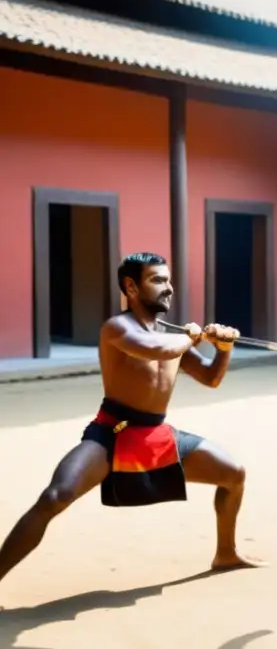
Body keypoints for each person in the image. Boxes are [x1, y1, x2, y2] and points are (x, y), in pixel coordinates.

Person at [0, 252, 262, 598]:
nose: (168, 288)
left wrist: (224, 348)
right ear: (131, 287)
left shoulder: (173, 336)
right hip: (113, 431)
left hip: (156, 433)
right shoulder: (118, 328)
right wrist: (196, 337)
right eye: (157, 280)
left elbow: (211, 378)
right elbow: (154, 349)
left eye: (168, 281)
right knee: (55, 496)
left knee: (234, 474)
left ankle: (225, 554)